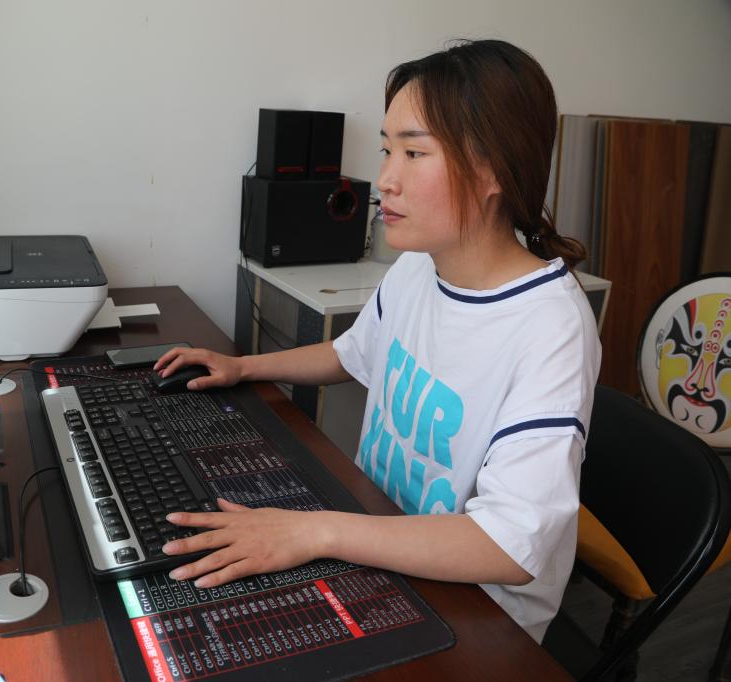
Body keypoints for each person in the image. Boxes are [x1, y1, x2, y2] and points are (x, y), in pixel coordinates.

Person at [153, 38, 601, 643]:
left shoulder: (551, 327)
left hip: (476, 610)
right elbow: (352, 353)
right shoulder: (421, 263)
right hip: (378, 538)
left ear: (493, 169)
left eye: (414, 152)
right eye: (388, 150)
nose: (385, 180)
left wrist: (314, 531)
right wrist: (244, 367)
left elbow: (508, 546)